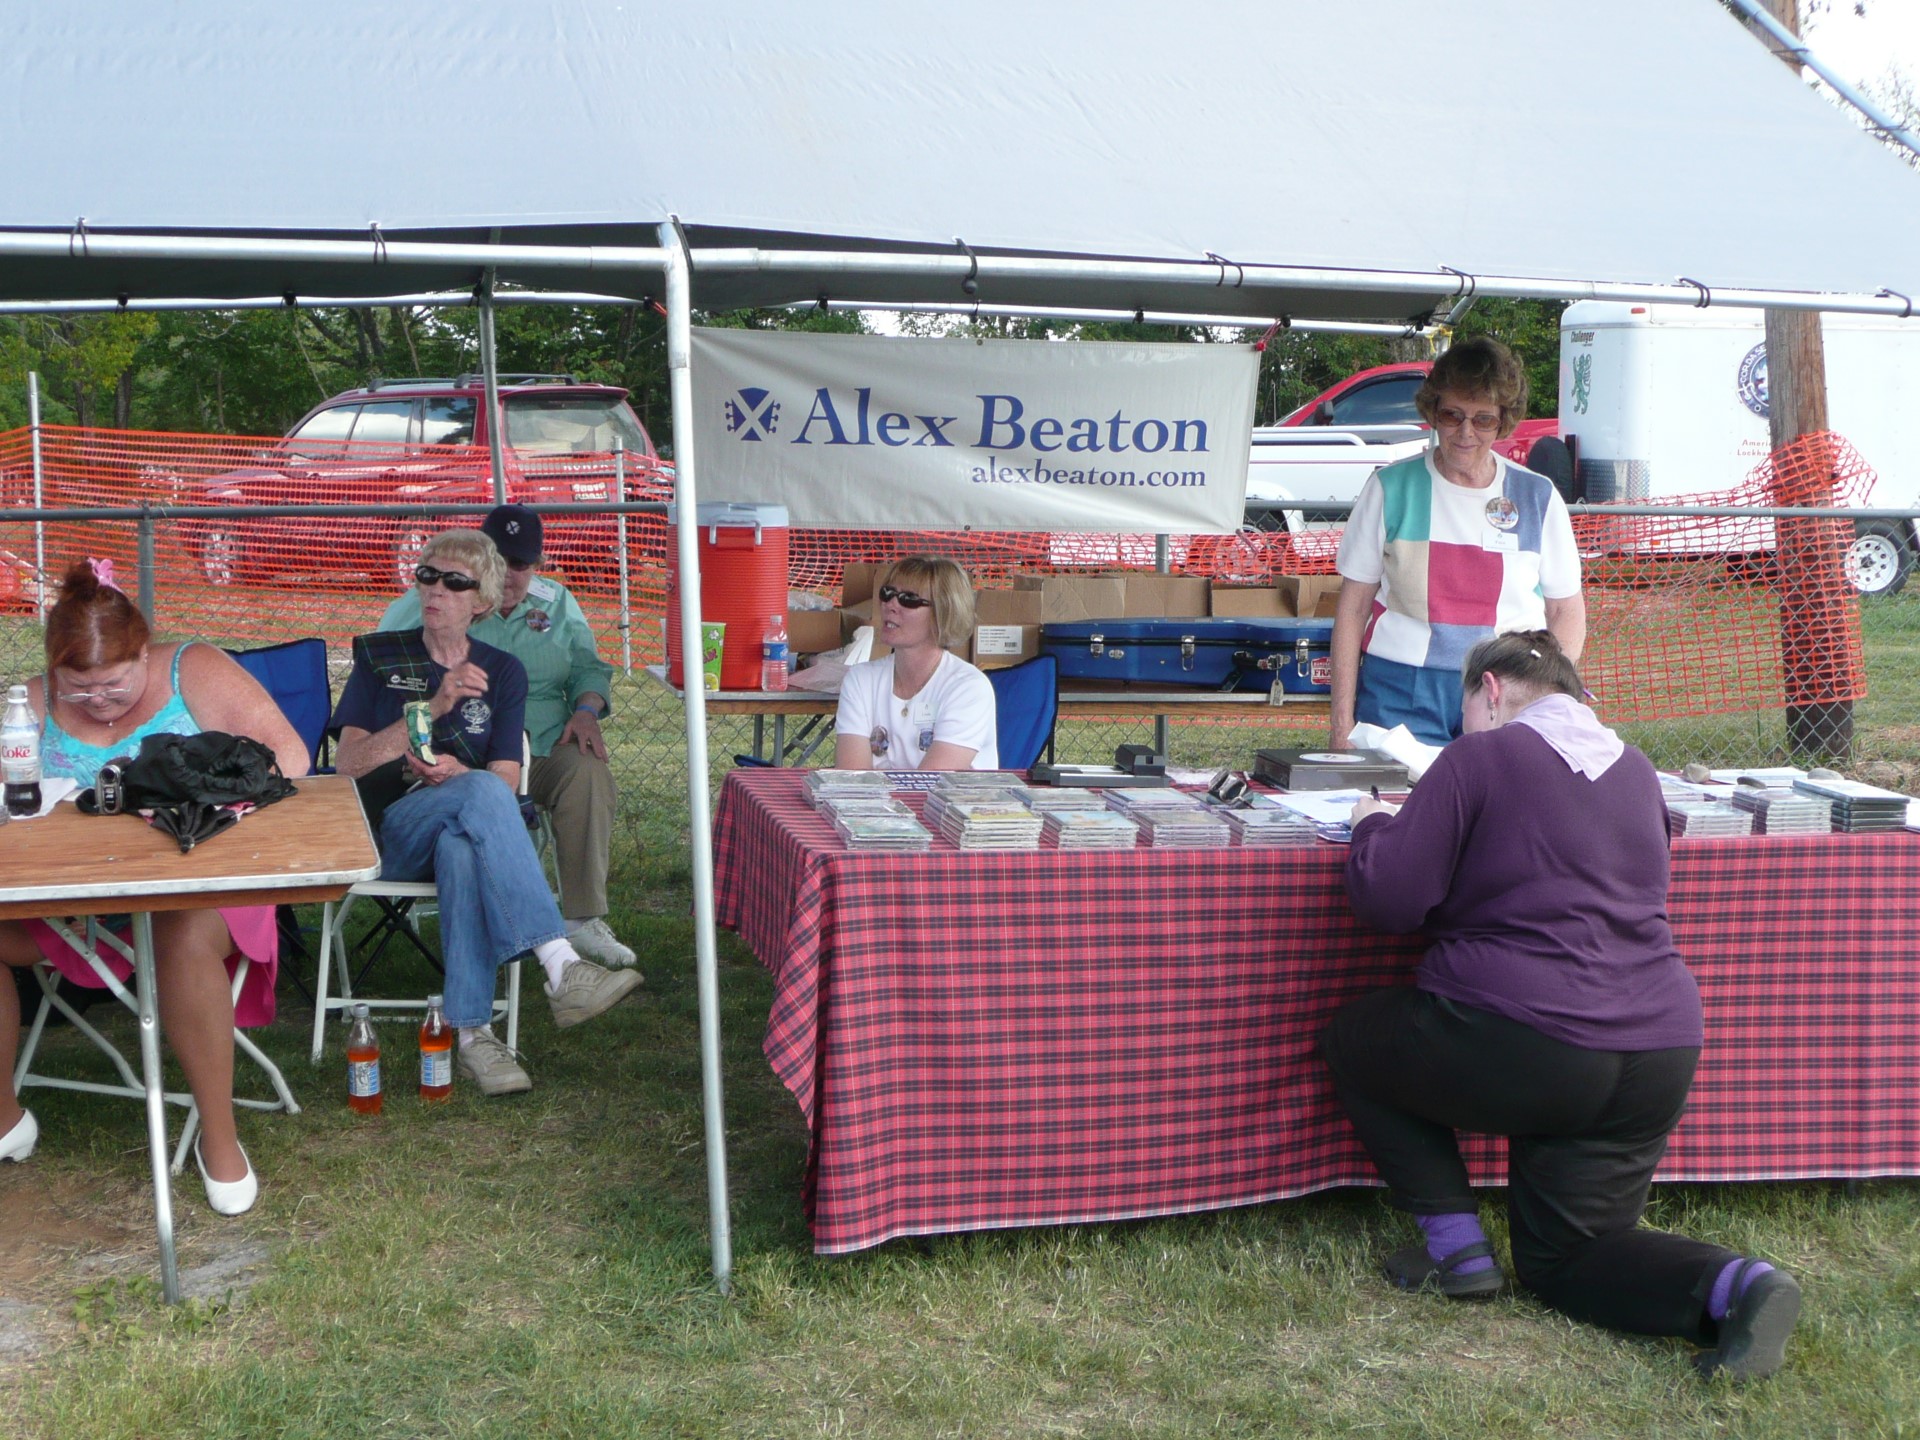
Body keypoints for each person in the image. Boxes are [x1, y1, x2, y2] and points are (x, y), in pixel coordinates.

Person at [1320, 630, 1801, 1380]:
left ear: (1489, 691)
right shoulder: (1638, 770)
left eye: (1463, 711)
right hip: (1658, 1048)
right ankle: (1740, 1287)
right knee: (1569, 1259)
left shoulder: (1480, 755)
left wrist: (1371, 827)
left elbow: (1390, 898)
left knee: (1357, 1039)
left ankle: (1457, 1250)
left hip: (1529, 1039)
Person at [0, 559, 309, 1217]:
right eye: (76, 690)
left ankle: (218, 1138)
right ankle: (3, 1112)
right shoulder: (27, 706)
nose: (99, 701)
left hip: (208, 880)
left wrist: (194, 795)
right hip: (80, 903)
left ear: (143, 652)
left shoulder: (190, 670)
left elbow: (291, 757)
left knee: (180, 925)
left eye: (113, 683)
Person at [332, 529, 642, 1097]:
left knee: (464, 840)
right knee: (477, 800)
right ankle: (560, 962)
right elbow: (348, 764)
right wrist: (434, 707)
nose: (436, 590)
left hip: (464, 828)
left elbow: (505, 779)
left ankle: (473, 1036)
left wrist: (456, 775)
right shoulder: (379, 656)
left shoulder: (502, 672)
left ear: (480, 600)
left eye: (455, 582)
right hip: (389, 831)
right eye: (427, 575)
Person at [378, 504, 634, 968]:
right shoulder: (449, 595)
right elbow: (382, 663)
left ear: (538, 564)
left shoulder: (556, 602)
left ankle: (582, 919)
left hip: (542, 746)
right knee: (478, 798)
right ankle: (520, 933)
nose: (512, 574)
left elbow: (587, 668)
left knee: (588, 772)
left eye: (522, 564)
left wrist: (585, 710)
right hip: (462, 754)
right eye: (502, 560)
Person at [1328, 337, 1586, 748]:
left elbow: (1566, 610)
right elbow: (1352, 609)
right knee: (1397, 808)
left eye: (1483, 419)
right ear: (1433, 414)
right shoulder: (1388, 489)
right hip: (1401, 688)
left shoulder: (1538, 497)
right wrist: (1341, 727)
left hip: (1508, 690)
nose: (1466, 432)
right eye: (1453, 415)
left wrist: (1545, 693)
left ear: (1503, 421)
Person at [833, 555, 998, 771]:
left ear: (943, 613)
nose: (890, 605)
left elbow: (930, 784)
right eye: (887, 593)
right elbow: (851, 779)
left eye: (909, 599)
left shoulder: (969, 687)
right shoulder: (860, 679)